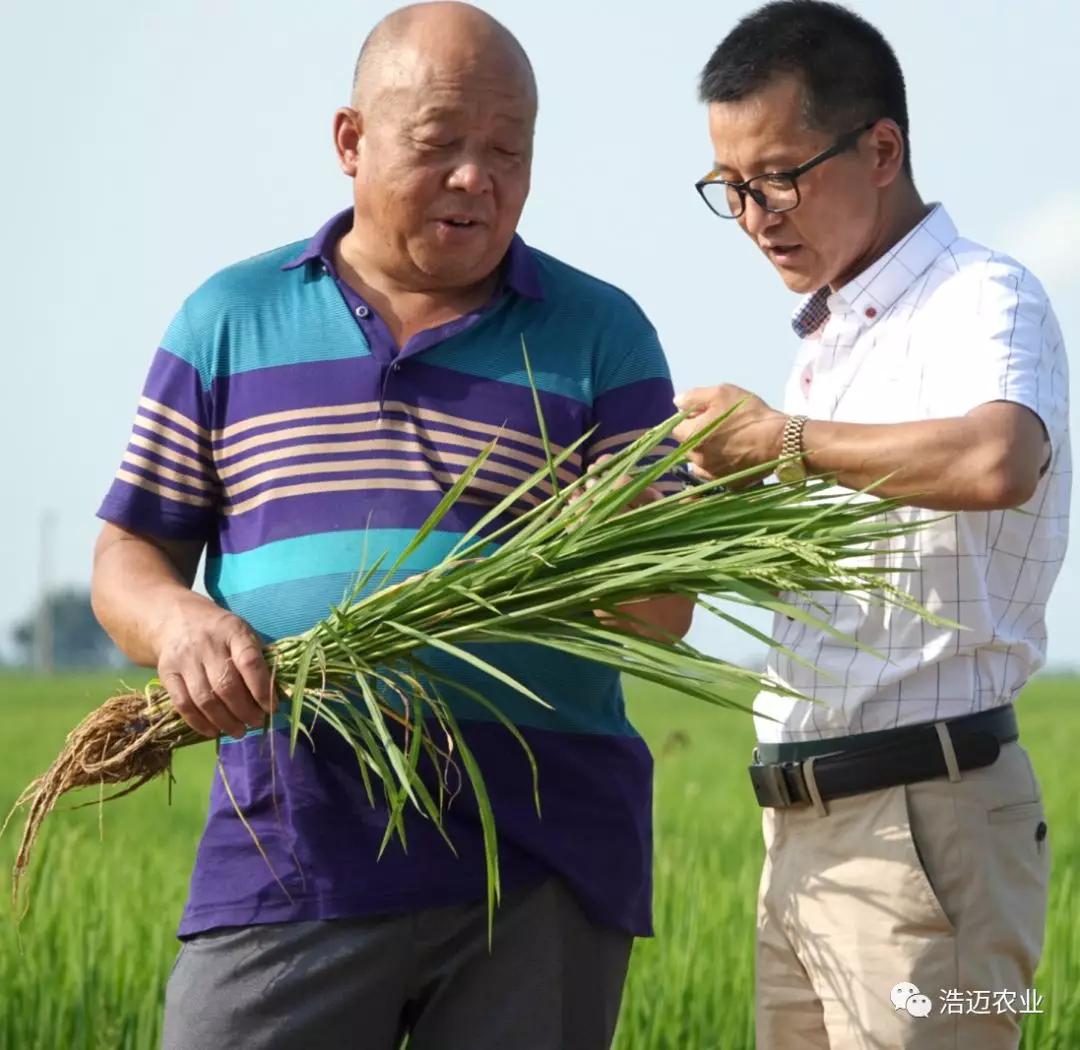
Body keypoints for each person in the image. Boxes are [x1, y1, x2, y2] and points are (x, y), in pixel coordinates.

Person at [90, 4, 692, 1047]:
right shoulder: (228, 318)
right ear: (350, 142)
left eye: (509, 151)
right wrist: (182, 627)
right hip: (294, 834)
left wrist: (614, 536)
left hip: (540, 859)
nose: (477, 177)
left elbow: (662, 608)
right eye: (441, 144)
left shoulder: (602, 333)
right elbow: (130, 553)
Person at [674, 3, 1069, 1048]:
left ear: (881, 147)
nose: (757, 214)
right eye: (731, 190)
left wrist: (784, 441)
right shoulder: (831, 343)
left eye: (778, 176)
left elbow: (998, 456)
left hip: (926, 829)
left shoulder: (985, 296)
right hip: (802, 840)